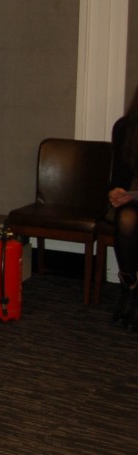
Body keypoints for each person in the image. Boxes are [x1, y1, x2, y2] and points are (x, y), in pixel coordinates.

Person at [110, 83, 138, 330]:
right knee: (126, 220)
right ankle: (130, 286)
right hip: (134, 200)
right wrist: (116, 192)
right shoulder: (124, 128)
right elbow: (118, 176)